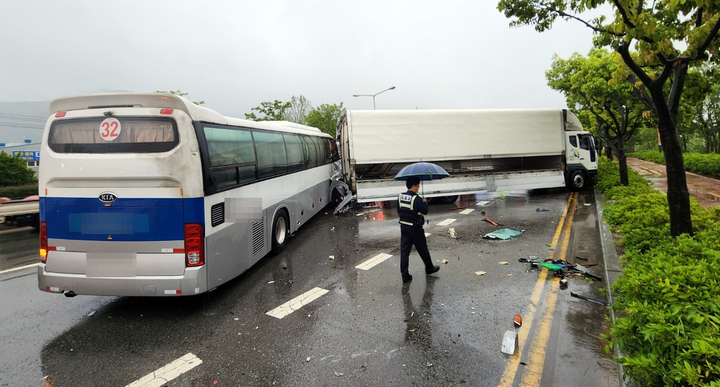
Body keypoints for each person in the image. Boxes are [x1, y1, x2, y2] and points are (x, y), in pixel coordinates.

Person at [397, 176, 439, 283]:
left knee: (404, 252)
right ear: (414, 186)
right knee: (422, 249)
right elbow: (424, 211)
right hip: (415, 228)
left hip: (404, 227)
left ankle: (405, 275)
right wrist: (425, 202)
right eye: (418, 186)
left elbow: (399, 210)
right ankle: (429, 268)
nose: (418, 188)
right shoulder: (417, 199)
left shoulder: (400, 197)